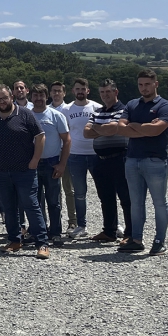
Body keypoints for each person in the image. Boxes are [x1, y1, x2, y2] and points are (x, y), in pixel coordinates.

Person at [0, 85, 50, 259]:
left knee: (31, 206)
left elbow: (40, 136)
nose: (1, 102)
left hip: (25, 171)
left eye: (4, 98)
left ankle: (42, 244)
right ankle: (14, 240)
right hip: (0, 171)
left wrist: (35, 159)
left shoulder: (25, 114)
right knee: (9, 208)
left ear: (11, 96)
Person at [116, 69, 168, 255]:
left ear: (156, 84)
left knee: (159, 203)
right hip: (132, 160)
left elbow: (156, 131)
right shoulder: (132, 104)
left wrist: (133, 125)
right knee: (136, 203)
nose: (144, 88)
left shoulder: (166, 106)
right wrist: (144, 127)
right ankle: (136, 240)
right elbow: (121, 129)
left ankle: (159, 241)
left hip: (155, 161)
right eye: (140, 84)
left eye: (147, 84)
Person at [83, 79, 133, 243]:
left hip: (120, 159)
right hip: (100, 160)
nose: (105, 95)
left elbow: (115, 128)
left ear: (115, 92)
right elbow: (86, 133)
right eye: (102, 92)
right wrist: (105, 129)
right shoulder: (97, 111)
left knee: (126, 198)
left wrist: (97, 128)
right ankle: (109, 231)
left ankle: (130, 233)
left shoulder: (125, 110)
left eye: (108, 92)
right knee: (106, 197)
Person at [30, 84, 70, 245]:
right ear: (31, 97)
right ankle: (38, 232)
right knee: (34, 201)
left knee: (53, 201)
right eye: (35, 95)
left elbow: (67, 140)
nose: (38, 99)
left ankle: (55, 232)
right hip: (32, 163)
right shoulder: (27, 116)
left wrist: (62, 164)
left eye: (41, 96)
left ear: (47, 97)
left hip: (52, 162)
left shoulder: (55, 115)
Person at [64, 78, 102, 239]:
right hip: (76, 156)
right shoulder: (66, 110)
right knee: (79, 193)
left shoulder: (97, 107)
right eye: (77, 88)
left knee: (104, 191)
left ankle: (112, 224)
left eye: (83, 88)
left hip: (96, 155)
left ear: (88, 90)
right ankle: (81, 225)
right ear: (73, 91)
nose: (80, 91)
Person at [50, 81, 77, 231]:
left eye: (59, 91)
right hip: (51, 154)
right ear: (50, 93)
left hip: (66, 152)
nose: (56, 93)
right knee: (53, 190)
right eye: (54, 91)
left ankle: (72, 221)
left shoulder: (68, 110)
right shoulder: (46, 110)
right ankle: (55, 221)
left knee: (69, 189)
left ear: (64, 93)